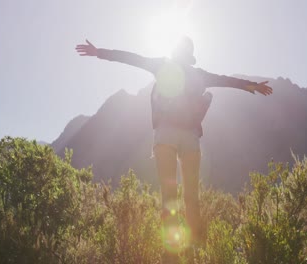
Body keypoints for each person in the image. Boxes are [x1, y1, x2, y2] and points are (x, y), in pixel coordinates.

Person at [76, 36, 272, 262]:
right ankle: (194, 253)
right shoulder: (200, 74)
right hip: (190, 137)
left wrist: (98, 51)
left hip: (165, 136)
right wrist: (252, 86)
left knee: (169, 198)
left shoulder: (161, 64)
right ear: (190, 56)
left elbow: (131, 58)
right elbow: (226, 80)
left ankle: (171, 256)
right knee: (192, 199)